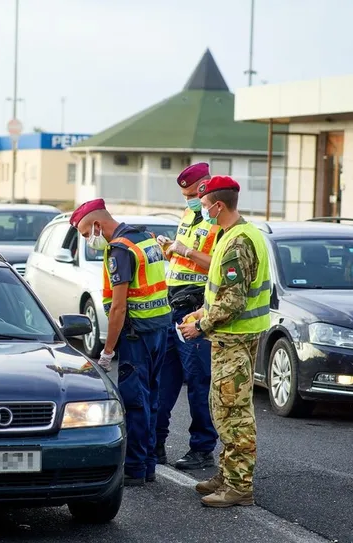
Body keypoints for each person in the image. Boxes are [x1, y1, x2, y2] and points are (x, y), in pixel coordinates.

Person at [178, 176, 271, 508]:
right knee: (224, 408)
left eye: (204, 205)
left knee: (234, 413)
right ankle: (227, 473)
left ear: (218, 205)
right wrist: (203, 311)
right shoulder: (238, 233)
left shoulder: (236, 242)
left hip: (234, 338)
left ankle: (239, 486)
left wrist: (199, 325)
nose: (202, 210)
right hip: (234, 336)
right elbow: (223, 294)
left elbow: (233, 301)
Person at [70, 198, 172, 486]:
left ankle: (136, 469)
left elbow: (118, 307)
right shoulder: (145, 236)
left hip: (136, 335)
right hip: (159, 328)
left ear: (98, 226)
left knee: (135, 402)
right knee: (151, 398)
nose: (88, 240)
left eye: (86, 233)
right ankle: (149, 464)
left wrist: (107, 350)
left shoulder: (120, 250)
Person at [155, 163, 219, 470]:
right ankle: (155, 443)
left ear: (207, 185)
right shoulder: (189, 215)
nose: (190, 200)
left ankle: (202, 448)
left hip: (196, 308)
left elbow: (216, 267)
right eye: (185, 195)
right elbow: (182, 259)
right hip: (172, 305)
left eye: (194, 194)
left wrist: (185, 251)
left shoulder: (218, 222)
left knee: (198, 380)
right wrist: (170, 249)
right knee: (163, 378)